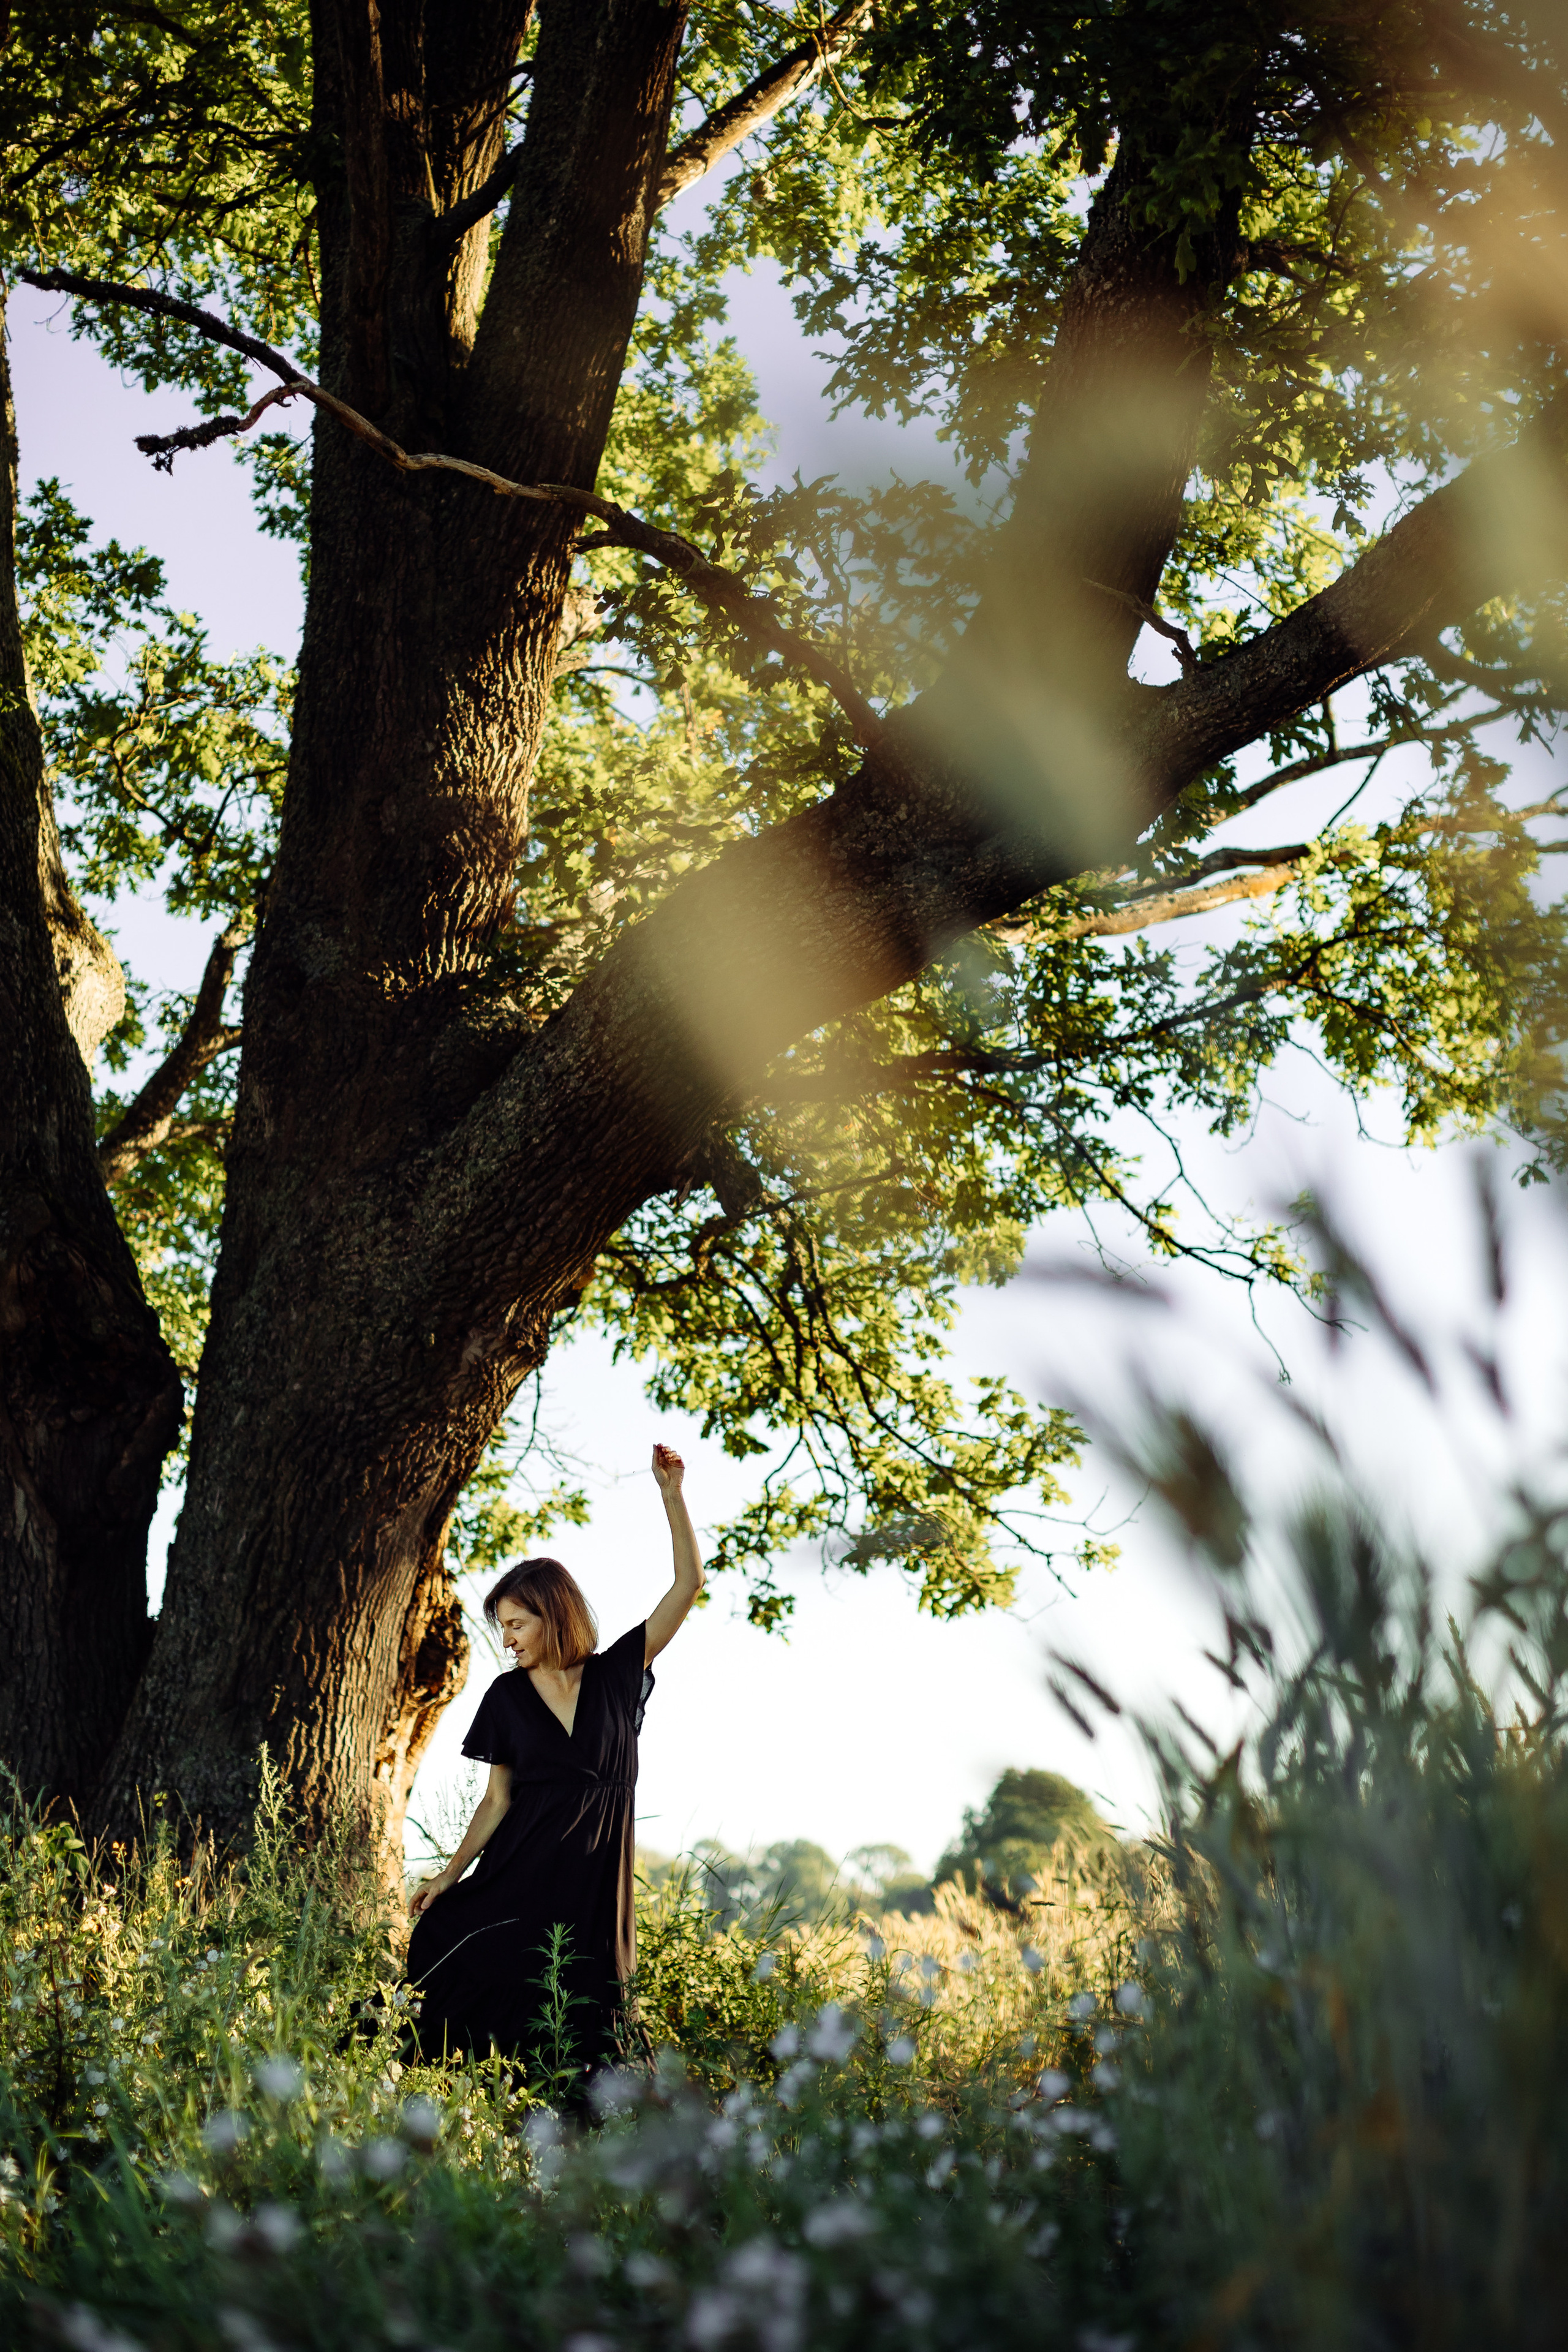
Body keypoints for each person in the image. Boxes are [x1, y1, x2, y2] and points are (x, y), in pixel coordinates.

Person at [405, 1442, 703, 2086]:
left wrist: (671, 1497)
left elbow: (687, 1588)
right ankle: (474, 2100)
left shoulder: (619, 1674)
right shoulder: (507, 1696)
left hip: (596, 1883)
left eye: (516, 1624)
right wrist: (449, 1876)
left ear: (553, 1613)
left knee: (592, 1996)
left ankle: (591, 2128)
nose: (507, 1641)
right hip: (522, 1869)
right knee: (457, 1950)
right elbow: (496, 1801)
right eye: (502, 1629)